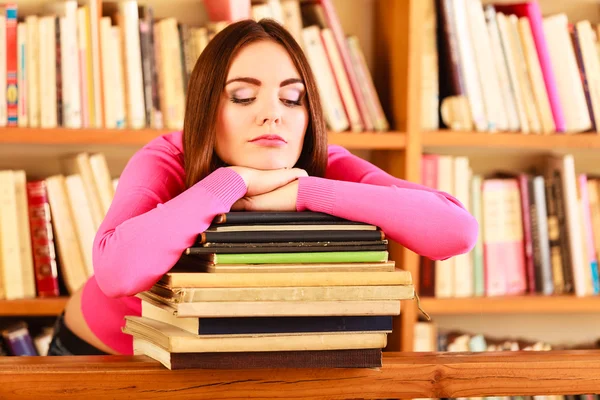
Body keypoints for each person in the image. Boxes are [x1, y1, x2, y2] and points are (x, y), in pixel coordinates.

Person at [46, 18, 478, 356]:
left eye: (292, 99)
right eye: (242, 96)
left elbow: (456, 230)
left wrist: (306, 192)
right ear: (206, 109)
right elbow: (116, 271)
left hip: (230, 361)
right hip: (100, 356)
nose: (273, 115)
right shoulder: (167, 158)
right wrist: (230, 183)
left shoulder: (322, 163)